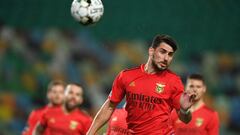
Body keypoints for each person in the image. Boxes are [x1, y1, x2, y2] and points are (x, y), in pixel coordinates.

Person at [87, 34, 196, 134]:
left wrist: (185, 111)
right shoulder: (126, 76)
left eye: (170, 55)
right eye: (162, 52)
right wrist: (90, 133)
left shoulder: (174, 81)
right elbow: (109, 107)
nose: (166, 58)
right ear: (151, 51)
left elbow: (185, 119)